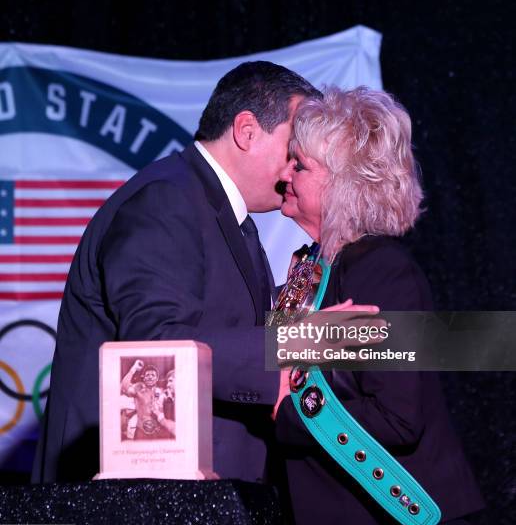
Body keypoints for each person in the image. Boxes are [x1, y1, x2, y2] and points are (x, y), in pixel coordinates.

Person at [32, 61, 374, 483]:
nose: (296, 167)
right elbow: (155, 348)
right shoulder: (166, 201)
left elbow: (220, 322)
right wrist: (294, 342)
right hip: (133, 501)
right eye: (295, 147)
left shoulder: (221, 213)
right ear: (247, 131)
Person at [274, 86, 484, 525]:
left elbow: (398, 417)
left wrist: (286, 414)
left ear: (345, 185)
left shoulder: (383, 271)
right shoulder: (316, 268)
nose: (283, 174)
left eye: (300, 165)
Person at [120, 360, 167, 440]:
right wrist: (134, 368)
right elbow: (124, 386)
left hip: (158, 432)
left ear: (156, 379)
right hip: (141, 432)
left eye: (153, 375)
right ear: (144, 378)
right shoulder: (138, 390)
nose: (150, 377)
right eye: (147, 375)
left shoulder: (162, 392)